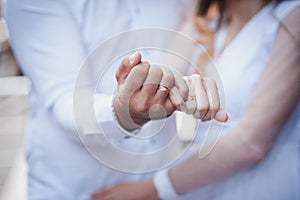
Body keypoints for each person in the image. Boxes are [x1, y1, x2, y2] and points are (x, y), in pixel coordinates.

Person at [4, 0, 228, 199]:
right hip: (77, 187)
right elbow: (66, 101)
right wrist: (124, 111)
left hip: (161, 179)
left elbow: (182, 51)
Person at [93, 0, 300, 199]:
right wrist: (138, 89)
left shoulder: (292, 18)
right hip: (198, 184)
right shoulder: (203, 22)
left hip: (258, 185)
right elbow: (163, 83)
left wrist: (154, 188)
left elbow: (251, 143)